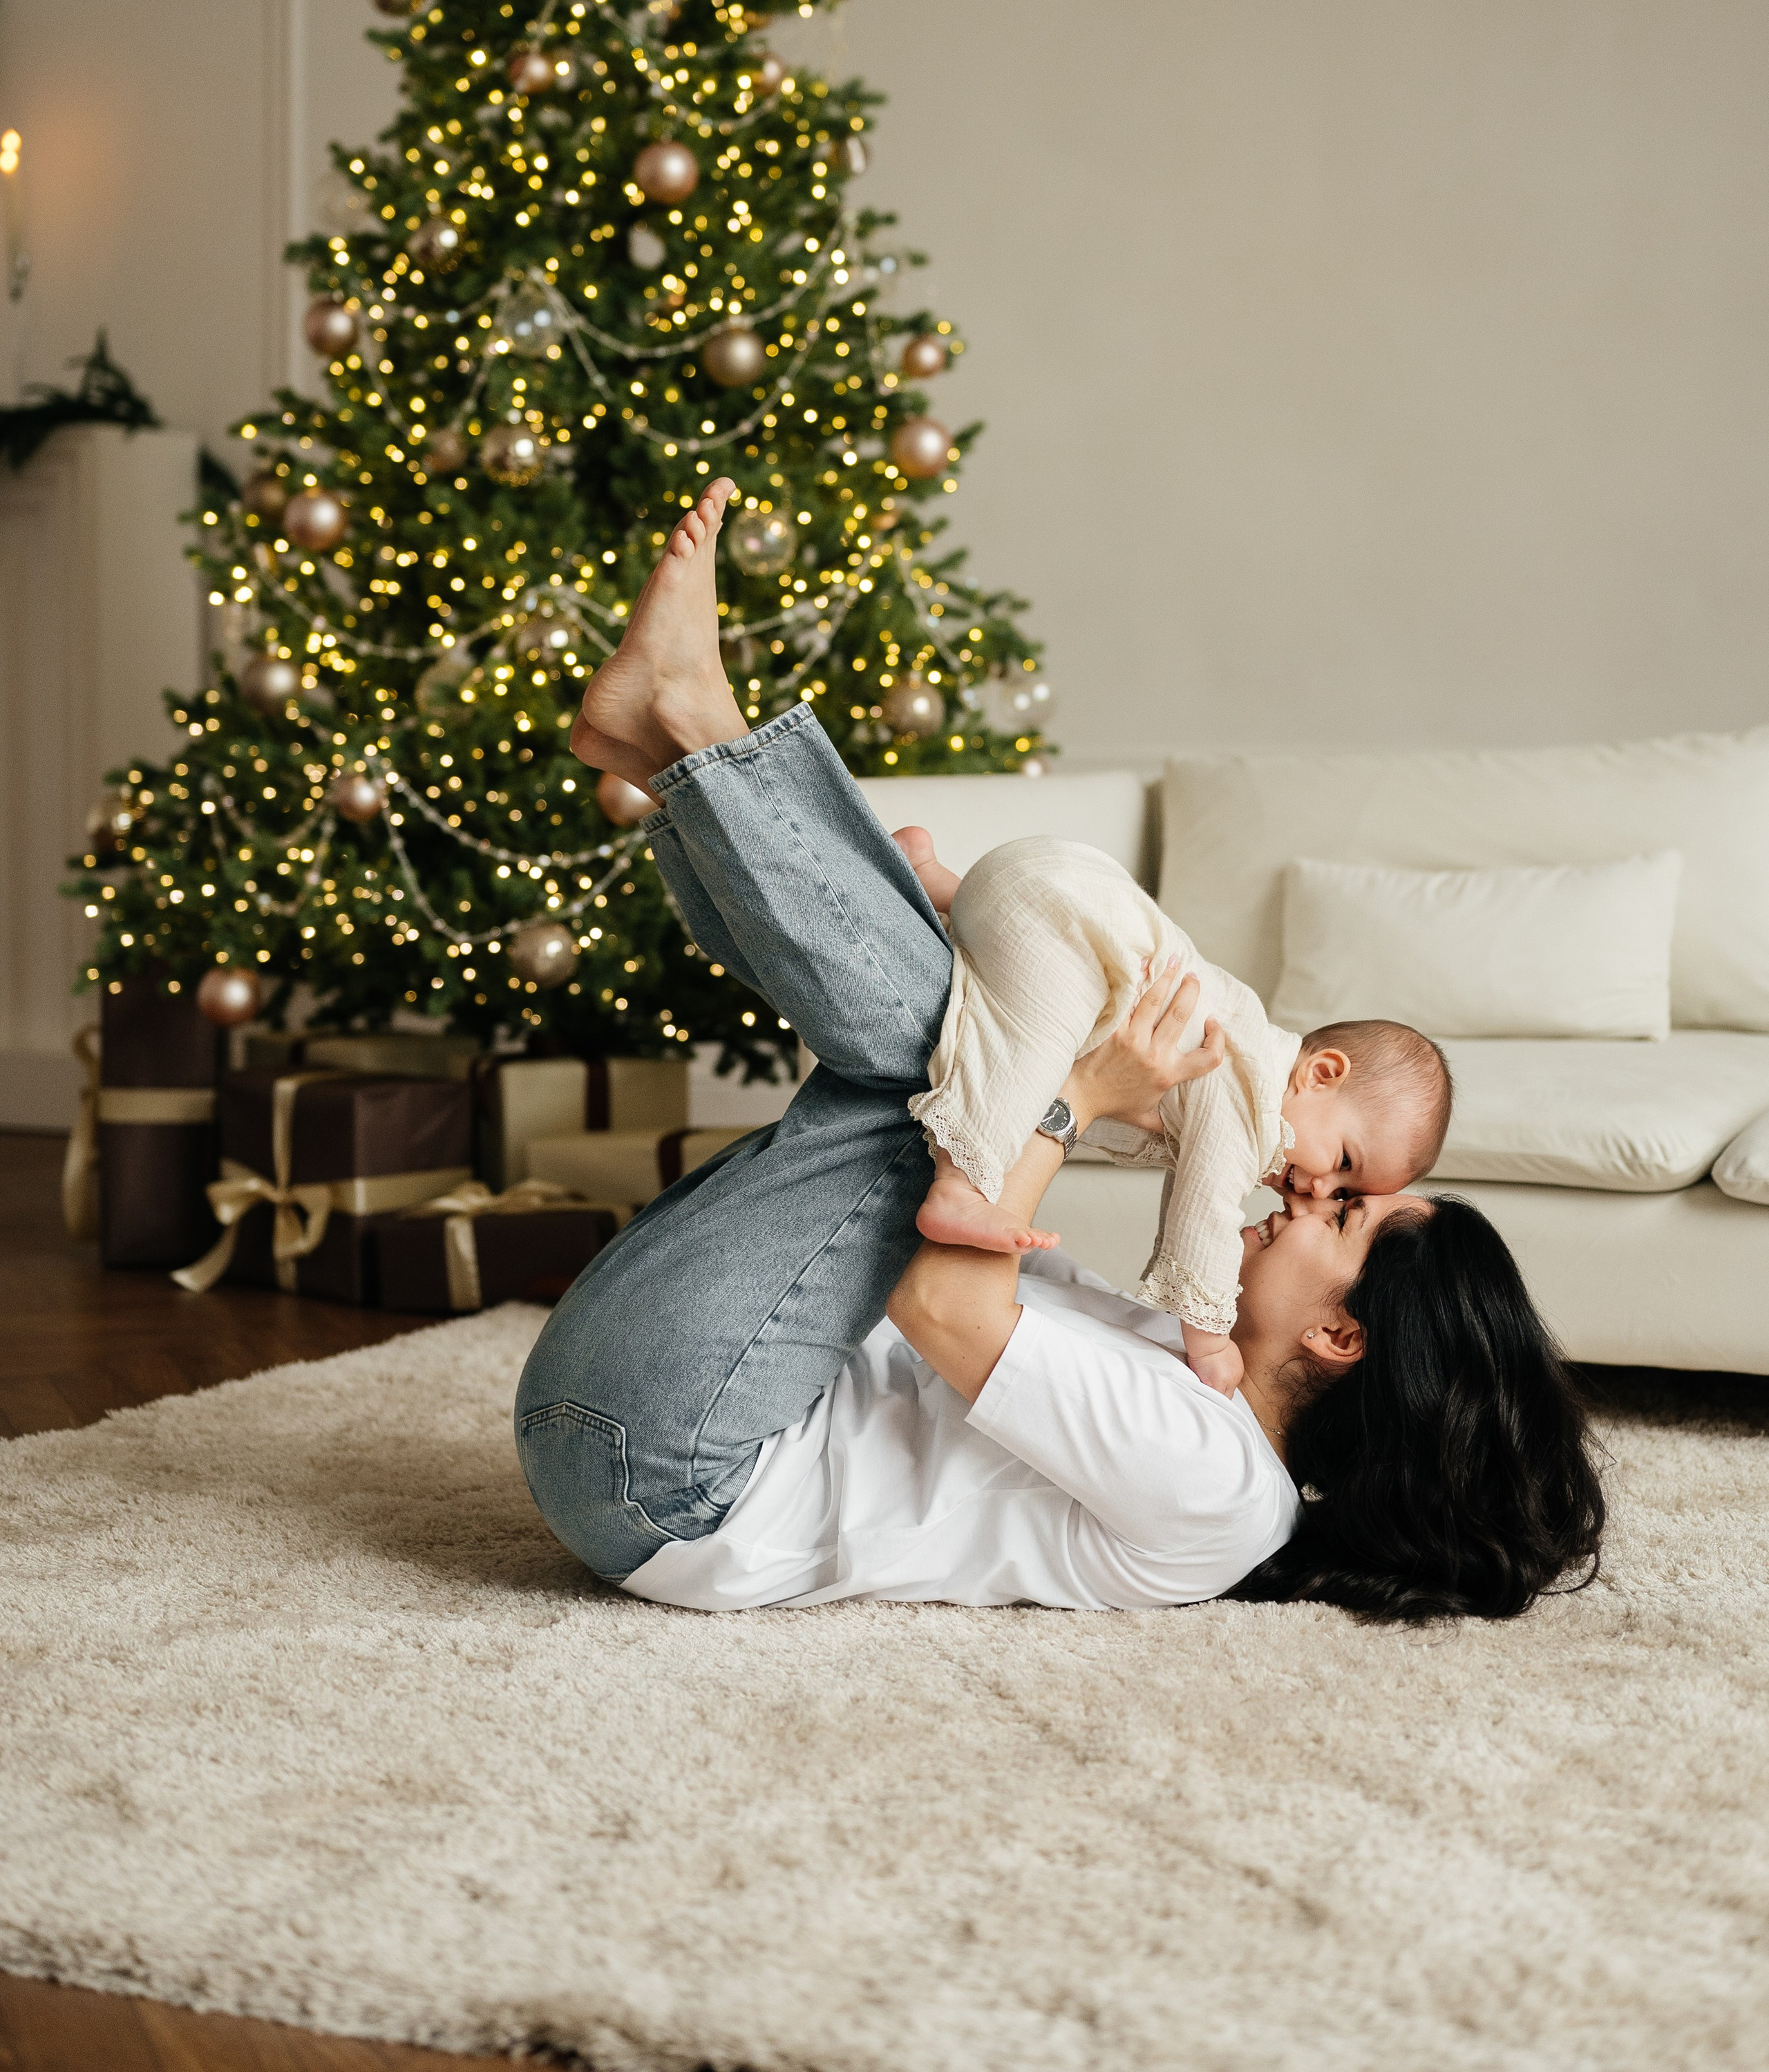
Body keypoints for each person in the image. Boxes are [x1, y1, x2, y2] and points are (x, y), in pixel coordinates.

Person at [516, 480, 1605, 1622]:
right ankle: (674, 748)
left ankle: (688, 736)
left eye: (1344, 1214)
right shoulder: (1196, 1384)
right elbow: (973, 1249)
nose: (1302, 1194)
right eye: (1340, 1183)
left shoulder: (1222, 1481)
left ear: (1342, 1333)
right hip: (683, 1400)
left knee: (940, 1087)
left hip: (676, 1467)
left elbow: (945, 1297)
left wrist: (1079, 1096)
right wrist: (1106, 1093)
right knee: (946, 1053)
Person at [891, 829, 1453, 1400]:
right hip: (1065, 918)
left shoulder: (1249, 1051)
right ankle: (958, 1187)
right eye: (1342, 1163)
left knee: (1010, 1009)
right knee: (1024, 1051)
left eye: (1338, 1196)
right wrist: (1209, 1341)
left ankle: (932, 882)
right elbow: (1204, 1214)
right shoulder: (1248, 1099)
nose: (1314, 1189)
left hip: (1054, 900)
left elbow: (1186, 1191)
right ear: (1322, 1074)